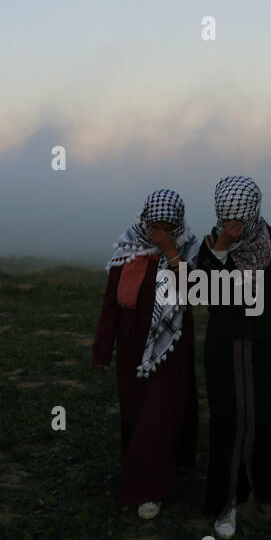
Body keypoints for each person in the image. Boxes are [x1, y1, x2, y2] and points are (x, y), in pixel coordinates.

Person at [197, 175, 271, 539]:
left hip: (268, 350)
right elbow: (202, 294)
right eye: (227, 218)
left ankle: (269, 491)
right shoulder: (209, 245)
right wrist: (221, 248)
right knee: (230, 423)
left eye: (240, 219)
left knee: (270, 418)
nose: (235, 227)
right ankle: (227, 502)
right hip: (225, 350)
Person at [92, 189, 200, 518]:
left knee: (159, 412)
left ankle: (149, 489)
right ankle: (139, 467)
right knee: (134, 409)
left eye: (169, 227)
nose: (161, 233)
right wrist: (102, 349)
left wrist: (170, 252)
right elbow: (112, 302)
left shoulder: (189, 249)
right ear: (145, 220)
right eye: (156, 226)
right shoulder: (128, 249)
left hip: (170, 344)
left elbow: (194, 292)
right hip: (129, 342)